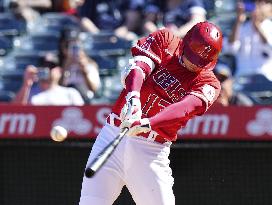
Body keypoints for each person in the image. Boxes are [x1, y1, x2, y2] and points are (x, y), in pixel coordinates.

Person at [79, 21, 222, 205]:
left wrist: (148, 123)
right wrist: (133, 98)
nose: (195, 65)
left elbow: (185, 108)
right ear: (185, 44)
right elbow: (139, 66)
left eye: (201, 62)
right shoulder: (165, 39)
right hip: (113, 135)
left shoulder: (209, 83)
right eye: (192, 57)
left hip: (151, 151)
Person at [12, 53, 84, 105]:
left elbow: (83, 115)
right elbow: (15, 113)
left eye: (51, 67)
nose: (47, 69)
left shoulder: (70, 93)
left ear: (60, 71)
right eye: (44, 66)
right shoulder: (28, 93)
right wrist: (26, 84)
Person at [226, 0, 272, 80]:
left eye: (263, 3)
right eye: (256, 3)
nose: (258, 6)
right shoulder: (242, 27)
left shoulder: (269, 26)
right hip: (242, 77)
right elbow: (230, 49)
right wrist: (238, 21)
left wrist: (256, 25)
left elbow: (269, 47)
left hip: (265, 78)